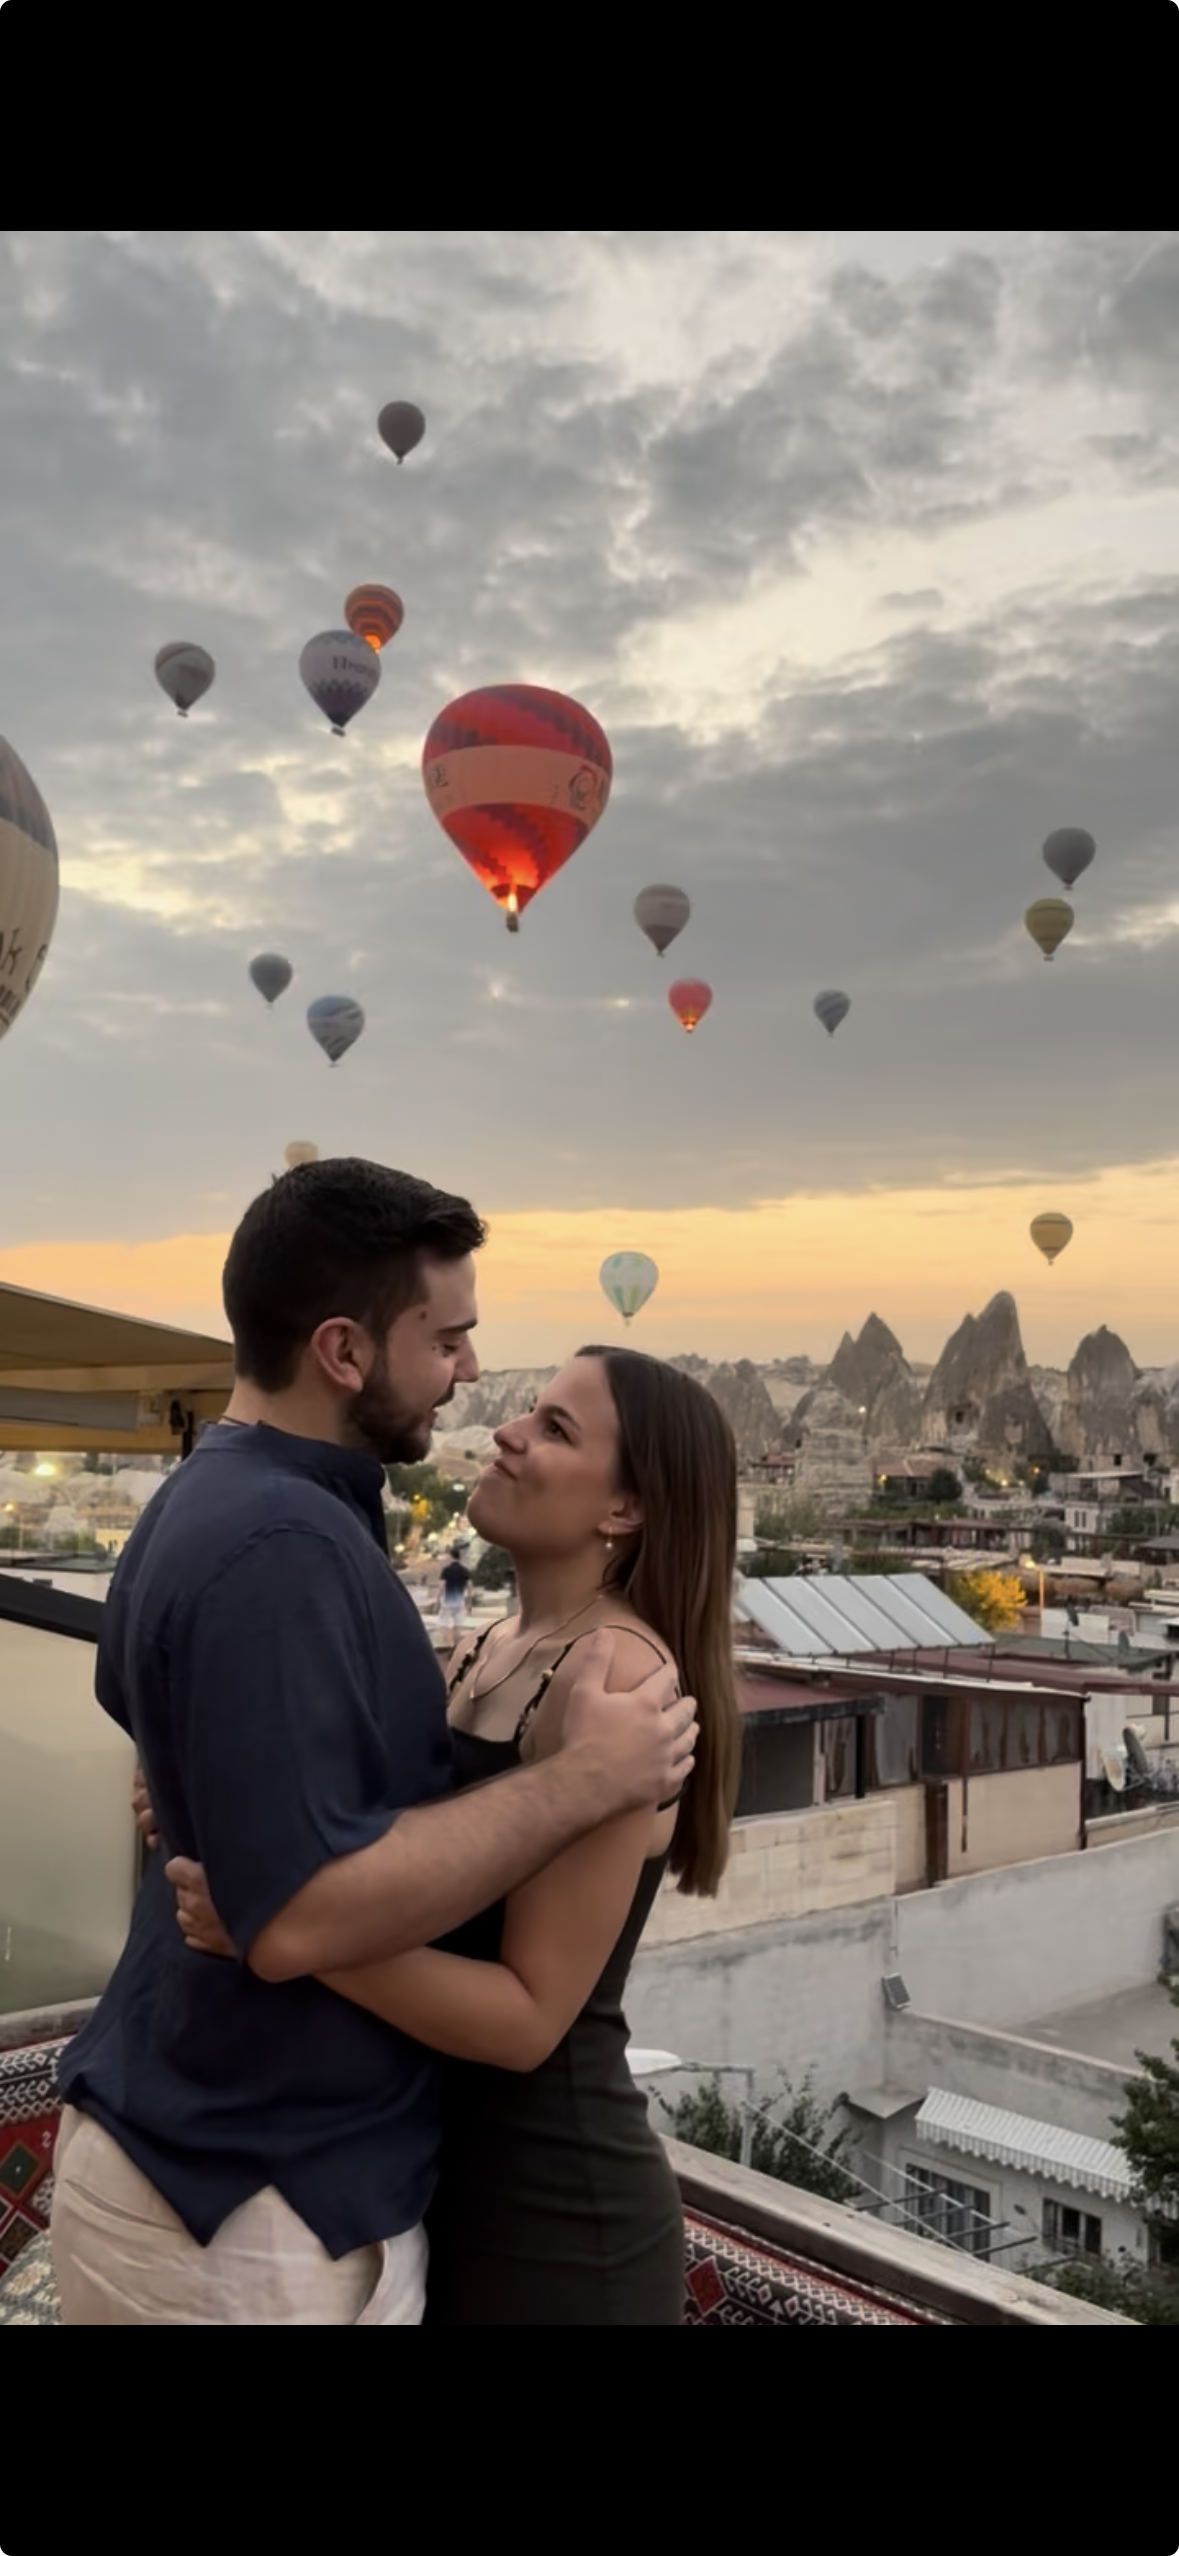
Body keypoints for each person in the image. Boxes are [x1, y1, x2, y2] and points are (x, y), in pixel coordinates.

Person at [49, 1162, 696, 2327]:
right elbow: (293, 1908)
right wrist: (584, 1779)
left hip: (395, 2187)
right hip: (254, 2201)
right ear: (345, 1353)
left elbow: (291, 1882)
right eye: (446, 1341)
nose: (473, 1383)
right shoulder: (287, 1545)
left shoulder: (221, 1503)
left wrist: (242, 1864)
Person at [170, 1342, 742, 2325]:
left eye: (556, 1429)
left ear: (625, 1509)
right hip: (441, 2185)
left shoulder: (615, 1680)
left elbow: (526, 2020)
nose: (508, 1432)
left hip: (557, 2221)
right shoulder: (486, 1646)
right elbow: (391, 1862)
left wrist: (276, 1930)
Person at [436, 1544, 472, 1640]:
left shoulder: (446, 1570)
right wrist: (469, 1603)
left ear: (451, 1556)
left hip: (447, 1601)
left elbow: (441, 1587)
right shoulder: (465, 1570)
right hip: (460, 1601)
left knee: (443, 1624)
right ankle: (456, 1647)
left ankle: (449, 1645)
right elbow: (469, 1587)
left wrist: (437, 1601)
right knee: (457, 1625)